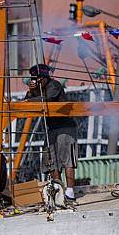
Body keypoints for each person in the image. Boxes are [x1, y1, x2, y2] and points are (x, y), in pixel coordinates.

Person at [25, 64, 78, 201]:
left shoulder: (55, 85)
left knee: (67, 159)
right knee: (51, 160)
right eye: (34, 78)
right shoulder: (37, 89)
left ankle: (70, 191)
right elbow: (29, 99)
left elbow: (46, 99)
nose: (36, 81)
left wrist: (30, 97)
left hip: (65, 126)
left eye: (38, 78)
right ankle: (58, 190)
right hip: (52, 128)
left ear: (44, 77)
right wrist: (31, 91)